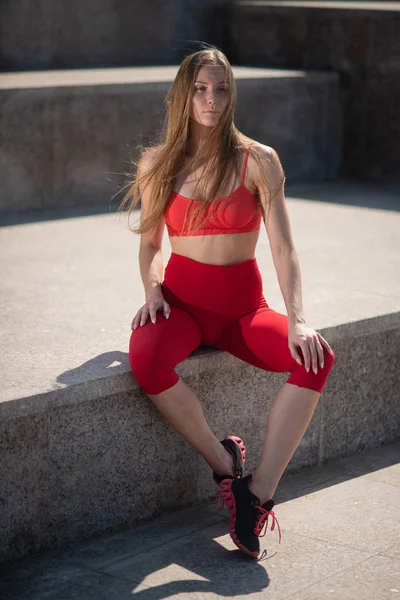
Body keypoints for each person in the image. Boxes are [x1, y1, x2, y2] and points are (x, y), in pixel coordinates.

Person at [118, 45, 335, 559]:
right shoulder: (158, 164)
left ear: (231, 93)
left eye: (220, 89)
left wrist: (298, 320)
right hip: (181, 308)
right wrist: (152, 293)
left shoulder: (258, 161)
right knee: (145, 358)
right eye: (199, 89)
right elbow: (149, 246)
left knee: (317, 357)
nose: (211, 100)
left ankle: (256, 494)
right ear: (183, 95)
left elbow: (283, 248)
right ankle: (223, 463)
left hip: (244, 312)